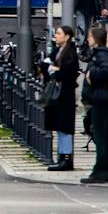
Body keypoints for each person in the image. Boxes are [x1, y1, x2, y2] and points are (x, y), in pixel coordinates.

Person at [78, 24, 108, 185]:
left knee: (101, 136)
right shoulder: (100, 54)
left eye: (89, 36)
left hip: (101, 100)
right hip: (101, 99)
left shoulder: (101, 55)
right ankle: (106, 169)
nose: (88, 39)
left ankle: (101, 170)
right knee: (103, 136)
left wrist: (91, 74)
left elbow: (107, 72)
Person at [44, 25, 79, 171]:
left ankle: (66, 157)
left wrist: (55, 70)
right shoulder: (58, 51)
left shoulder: (70, 54)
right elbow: (47, 65)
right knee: (59, 125)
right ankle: (61, 155)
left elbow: (67, 73)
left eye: (59, 33)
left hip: (65, 95)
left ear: (67, 36)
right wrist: (52, 69)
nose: (56, 36)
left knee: (64, 126)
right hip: (57, 94)